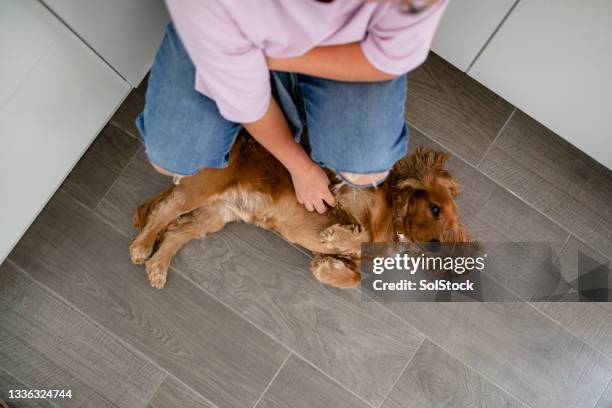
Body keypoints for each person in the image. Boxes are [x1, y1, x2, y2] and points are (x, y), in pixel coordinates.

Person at [137, 0, 447, 213]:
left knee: (366, 168)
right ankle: (204, 44)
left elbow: (386, 59)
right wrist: (302, 168)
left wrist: (266, 58)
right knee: (170, 158)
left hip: (335, 45)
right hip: (221, 24)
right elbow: (249, 105)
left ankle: (266, 72)